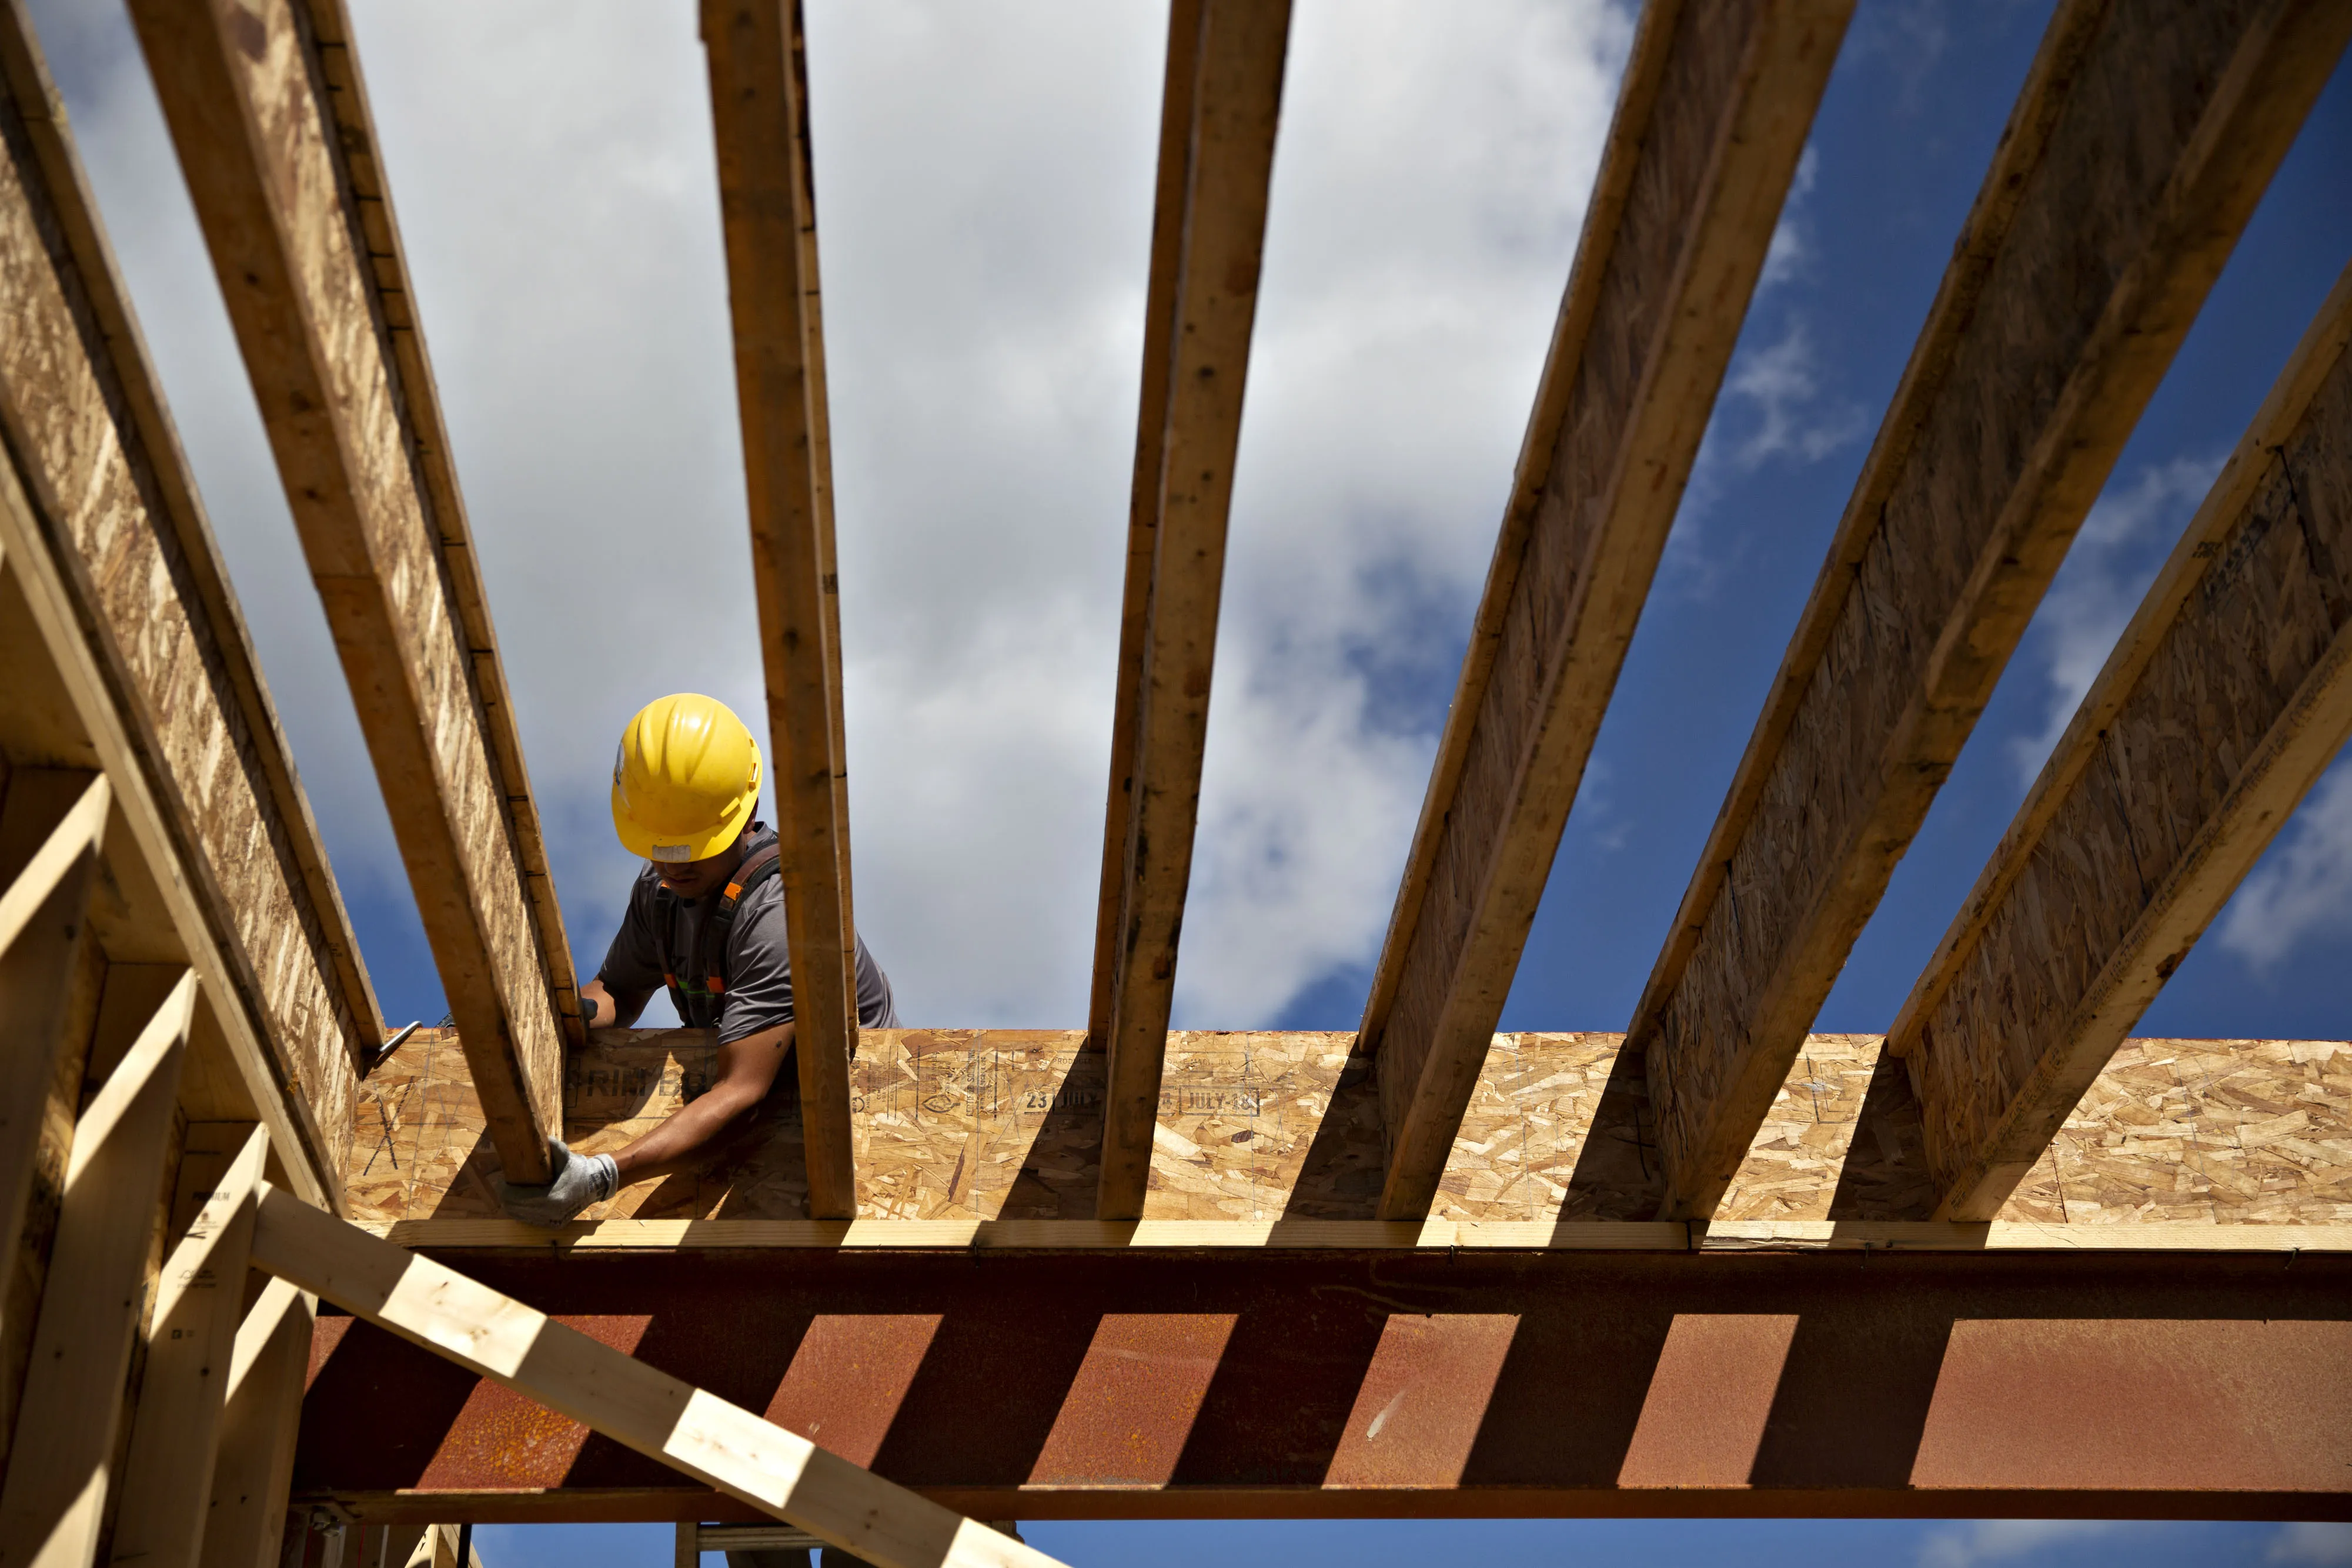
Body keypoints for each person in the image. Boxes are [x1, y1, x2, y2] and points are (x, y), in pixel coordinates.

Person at [496, 693, 897, 1226]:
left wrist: (601, 1175)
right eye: (660, 847)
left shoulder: (783, 915)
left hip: (868, 1122)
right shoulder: (661, 886)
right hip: (745, 1093)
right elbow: (618, 990)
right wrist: (556, 1016)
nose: (671, 866)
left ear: (747, 813)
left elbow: (741, 1093)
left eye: (691, 848)